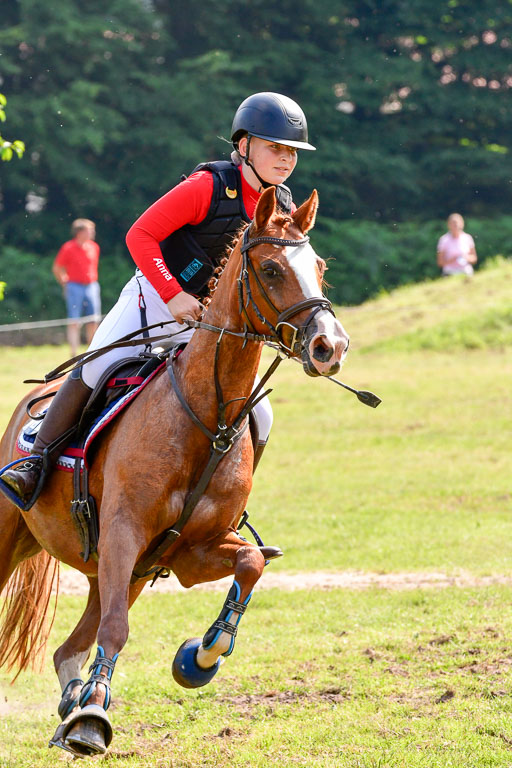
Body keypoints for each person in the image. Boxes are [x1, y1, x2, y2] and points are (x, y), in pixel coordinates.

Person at [1, 92, 316, 506]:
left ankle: (226, 504)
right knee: (96, 365)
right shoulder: (208, 186)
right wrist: (173, 294)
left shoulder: (283, 204)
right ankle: (35, 463)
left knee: (260, 411)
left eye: (291, 151)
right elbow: (140, 235)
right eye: (274, 147)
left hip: (208, 319)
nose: (286, 159)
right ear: (243, 146)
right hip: (153, 297)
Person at [53, 218, 102, 357]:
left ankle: (92, 350)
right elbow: (57, 267)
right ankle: (73, 352)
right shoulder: (68, 247)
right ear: (80, 232)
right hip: (74, 285)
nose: (93, 232)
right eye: (90, 230)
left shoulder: (94, 247)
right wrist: (65, 282)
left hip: (92, 285)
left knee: (93, 319)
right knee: (74, 320)